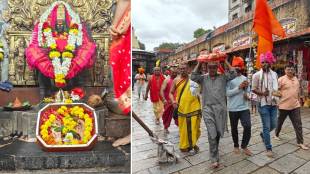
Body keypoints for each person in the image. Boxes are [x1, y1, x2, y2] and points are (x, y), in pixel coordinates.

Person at [191, 59, 236, 168]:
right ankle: (214, 158)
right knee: (212, 132)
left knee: (218, 132)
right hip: (208, 109)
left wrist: (225, 61)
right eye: (209, 67)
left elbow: (233, 73)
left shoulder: (223, 77)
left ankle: (215, 147)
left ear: (217, 67)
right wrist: (200, 62)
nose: (212, 69)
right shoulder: (203, 78)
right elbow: (193, 77)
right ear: (206, 68)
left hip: (220, 109)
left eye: (214, 67)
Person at [108, 0, 131, 147]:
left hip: (126, 25)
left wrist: (116, 27)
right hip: (125, 25)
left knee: (125, 75)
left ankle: (131, 134)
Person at [274, 64, 308, 150]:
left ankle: (300, 142)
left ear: (294, 70)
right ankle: (276, 134)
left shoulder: (296, 79)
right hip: (283, 106)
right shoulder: (281, 79)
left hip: (295, 106)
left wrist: (300, 98)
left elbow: (298, 90)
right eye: (288, 69)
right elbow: (274, 91)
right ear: (285, 70)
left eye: (291, 69)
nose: (290, 71)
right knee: (280, 122)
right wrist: (277, 101)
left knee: (298, 124)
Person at [251, 52, 279, 157]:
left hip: (273, 103)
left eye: (267, 62)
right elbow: (253, 89)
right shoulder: (256, 75)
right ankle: (268, 148)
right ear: (260, 64)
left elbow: (276, 88)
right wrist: (263, 93)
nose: (264, 64)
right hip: (263, 104)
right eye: (262, 62)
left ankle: (263, 135)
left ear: (270, 62)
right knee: (266, 126)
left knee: (274, 124)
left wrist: (277, 94)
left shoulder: (274, 74)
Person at [170, 63, 201, 153]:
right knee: (183, 129)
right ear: (178, 70)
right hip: (182, 108)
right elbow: (171, 93)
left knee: (195, 128)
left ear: (188, 69)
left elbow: (199, 90)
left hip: (194, 107)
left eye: (184, 68)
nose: (183, 70)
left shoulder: (193, 78)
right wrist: (173, 101)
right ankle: (185, 145)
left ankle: (193, 143)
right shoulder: (176, 80)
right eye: (181, 69)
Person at [226, 57, 252, 156]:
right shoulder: (229, 79)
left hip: (244, 107)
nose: (237, 68)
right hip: (233, 108)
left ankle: (244, 146)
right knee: (234, 128)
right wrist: (239, 88)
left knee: (248, 126)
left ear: (242, 67)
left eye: (239, 66)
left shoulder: (245, 78)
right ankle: (236, 145)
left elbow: (248, 92)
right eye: (235, 66)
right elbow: (227, 93)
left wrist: (247, 94)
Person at [160, 67, 178, 133]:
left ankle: (181, 126)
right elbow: (162, 90)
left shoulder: (179, 80)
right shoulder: (166, 80)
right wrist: (164, 99)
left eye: (176, 73)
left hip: (177, 101)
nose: (174, 74)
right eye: (173, 73)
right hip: (168, 102)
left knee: (179, 115)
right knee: (167, 116)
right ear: (170, 73)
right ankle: (166, 127)